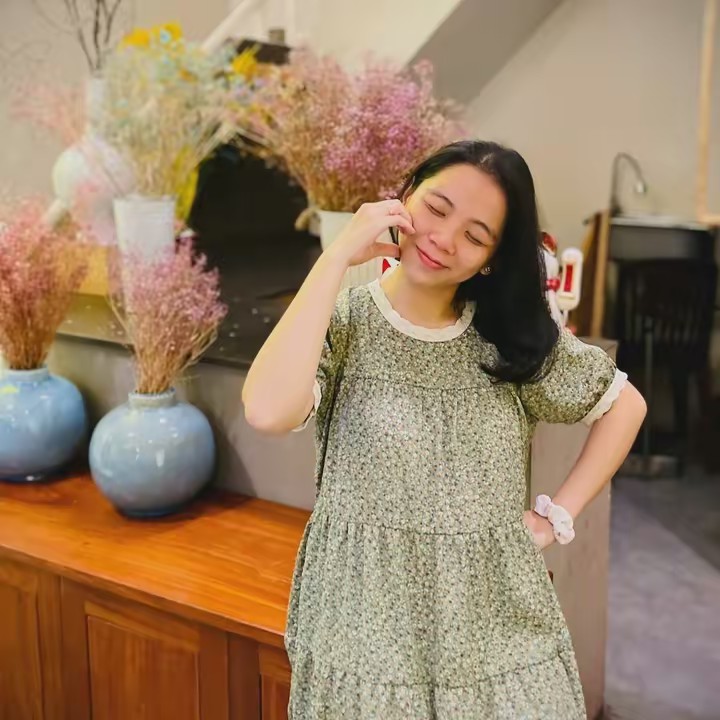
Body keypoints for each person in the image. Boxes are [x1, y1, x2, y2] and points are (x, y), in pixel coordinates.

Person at [243, 140, 647, 719]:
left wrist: (555, 516)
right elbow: (267, 411)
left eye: (476, 236)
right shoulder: (346, 324)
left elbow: (624, 406)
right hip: (367, 628)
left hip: (493, 625)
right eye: (436, 208)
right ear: (404, 197)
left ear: (491, 259)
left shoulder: (508, 339)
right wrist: (335, 259)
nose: (444, 239)